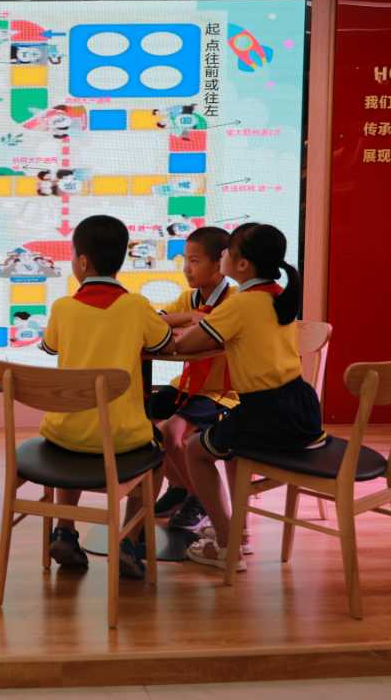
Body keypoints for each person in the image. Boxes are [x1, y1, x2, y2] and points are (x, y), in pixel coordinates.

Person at [176, 223, 327, 571]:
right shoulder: (278, 294)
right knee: (223, 441)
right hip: (302, 409)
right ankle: (237, 533)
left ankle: (226, 544)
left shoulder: (241, 304)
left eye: (227, 251)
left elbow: (187, 345)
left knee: (195, 450)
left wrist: (185, 326)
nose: (222, 255)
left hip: (265, 414)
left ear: (242, 264)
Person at [39, 215, 173, 578]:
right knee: (158, 452)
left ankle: (65, 530)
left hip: (63, 435)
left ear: (82, 262)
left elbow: (49, 346)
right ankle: (129, 539)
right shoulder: (136, 305)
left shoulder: (63, 307)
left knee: (72, 436)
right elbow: (162, 341)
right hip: (122, 438)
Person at [148, 227, 238, 531]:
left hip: (223, 390)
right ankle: (180, 487)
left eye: (195, 261)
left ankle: (200, 498)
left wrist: (185, 331)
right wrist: (187, 318)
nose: (187, 268)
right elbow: (153, 324)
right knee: (143, 421)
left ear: (219, 263)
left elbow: (206, 339)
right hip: (187, 384)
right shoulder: (189, 298)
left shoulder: (235, 299)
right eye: (185, 260)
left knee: (171, 432)